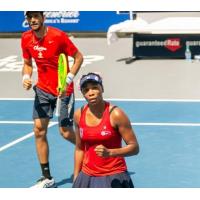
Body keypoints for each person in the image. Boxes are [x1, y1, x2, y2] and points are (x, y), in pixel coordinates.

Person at [21, 11, 83, 188]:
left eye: (36, 16)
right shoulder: (25, 38)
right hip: (42, 89)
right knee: (39, 131)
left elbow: (79, 57)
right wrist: (25, 77)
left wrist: (68, 79)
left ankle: (90, 149)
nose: (32, 20)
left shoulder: (58, 36)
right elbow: (27, 63)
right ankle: (47, 177)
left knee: (65, 131)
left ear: (43, 17)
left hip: (63, 90)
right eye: (29, 17)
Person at [73, 72, 139, 188]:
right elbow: (79, 149)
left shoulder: (116, 114)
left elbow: (134, 148)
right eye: (86, 90)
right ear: (83, 94)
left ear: (102, 89)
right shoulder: (78, 115)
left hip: (113, 174)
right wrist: (76, 178)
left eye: (95, 88)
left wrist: (110, 153)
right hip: (86, 176)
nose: (91, 93)